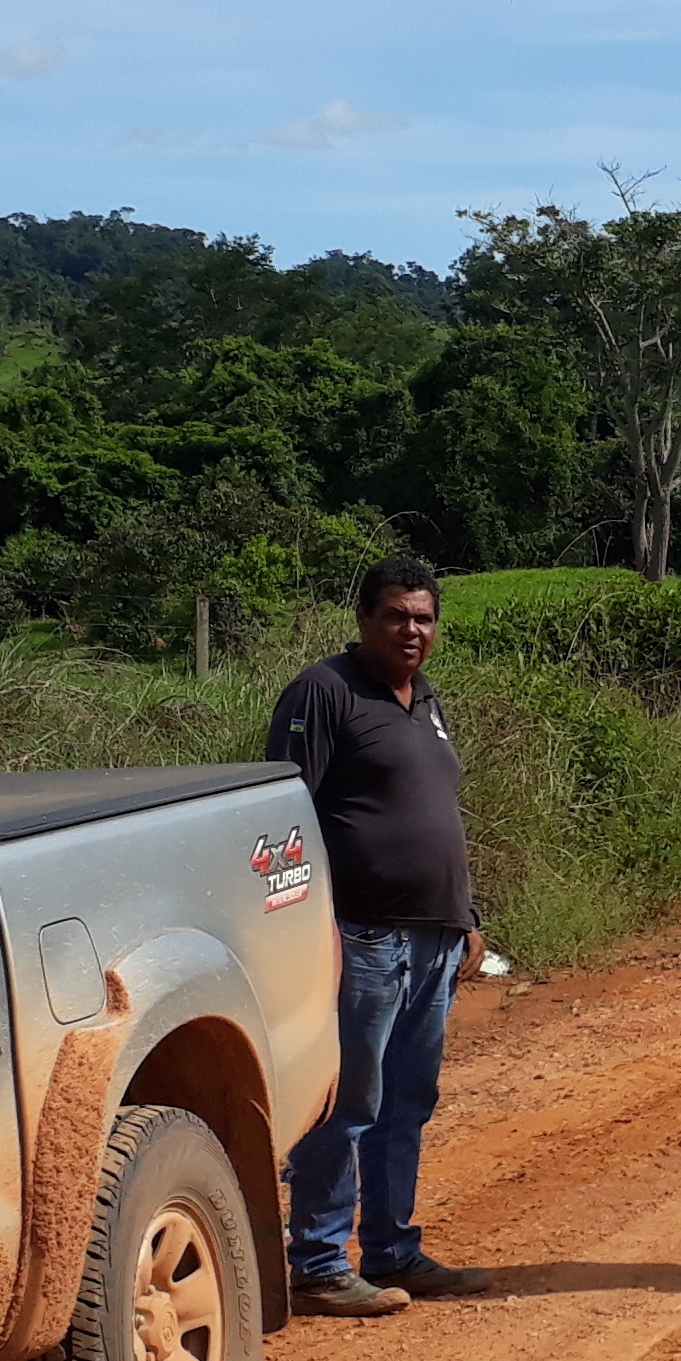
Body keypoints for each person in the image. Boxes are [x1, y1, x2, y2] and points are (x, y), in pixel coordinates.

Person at [268, 558, 495, 1316]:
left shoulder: (423, 698)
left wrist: (466, 916)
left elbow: (437, 814)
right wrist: (311, 928)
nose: (411, 630)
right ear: (363, 617)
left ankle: (394, 1247)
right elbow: (286, 818)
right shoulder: (325, 692)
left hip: (432, 937)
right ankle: (321, 1260)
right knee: (348, 1101)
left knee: (407, 1100)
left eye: (423, 618)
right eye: (396, 615)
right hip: (360, 938)